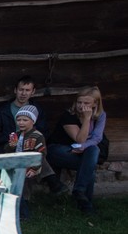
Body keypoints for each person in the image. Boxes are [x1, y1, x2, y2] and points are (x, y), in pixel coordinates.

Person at [0, 75, 67, 195]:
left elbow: (43, 132)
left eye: (27, 90)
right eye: (21, 90)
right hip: (8, 147)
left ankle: (26, 196)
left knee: (34, 153)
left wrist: (30, 139)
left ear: (33, 92)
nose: (23, 93)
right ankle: (53, 182)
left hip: (30, 145)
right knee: (31, 155)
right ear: (15, 90)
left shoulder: (36, 110)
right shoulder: (3, 111)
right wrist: (12, 138)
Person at [46, 86, 107, 215]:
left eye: (86, 103)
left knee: (93, 151)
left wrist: (83, 147)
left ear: (95, 103)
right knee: (89, 166)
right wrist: (86, 119)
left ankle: (80, 193)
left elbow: (97, 138)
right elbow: (80, 139)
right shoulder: (69, 115)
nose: (81, 106)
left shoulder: (101, 115)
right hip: (57, 150)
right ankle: (85, 203)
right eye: (79, 102)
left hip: (80, 151)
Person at [3, 105, 51, 219]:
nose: (21, 122)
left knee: (20, 186)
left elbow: (41, 154)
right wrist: (11, 146)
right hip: (17, 165)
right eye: (19, 120)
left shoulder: (37, 136)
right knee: (12, 184)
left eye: (25, 120)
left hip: (31, 167)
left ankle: (24, 214)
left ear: (33, 121)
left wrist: (34, 169)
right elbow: (7, 150)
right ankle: (17, 209)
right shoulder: (17, 134)